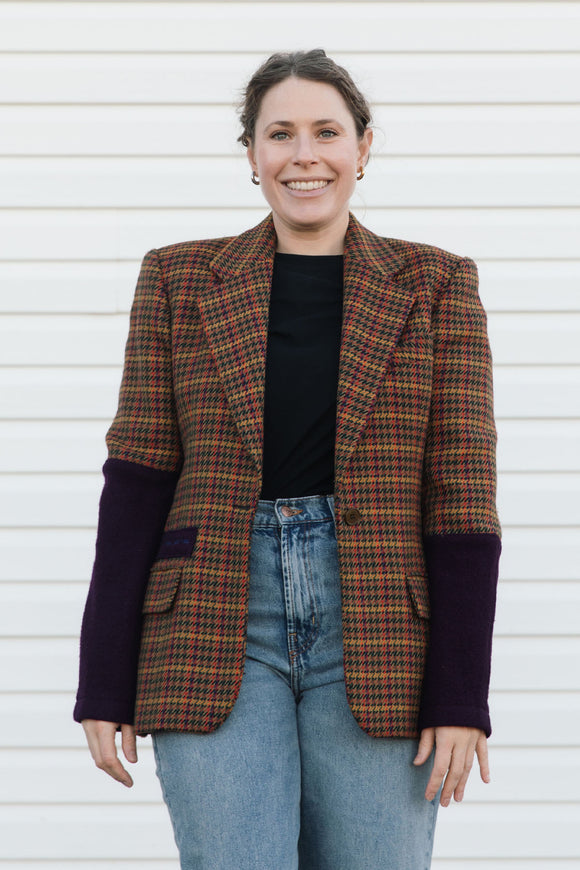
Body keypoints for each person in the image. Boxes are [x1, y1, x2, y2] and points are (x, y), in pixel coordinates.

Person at [74, 49, 502, 870]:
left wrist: (461, 695)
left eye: (326, 132)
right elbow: (135, 480)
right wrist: (103, 675)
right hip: (212, 618)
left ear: (363, 148)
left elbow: (462, 501)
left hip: (379, 630)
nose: (304, 154)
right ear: (252, 155)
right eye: (280, 133)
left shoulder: (437, 285)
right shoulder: (179, 278)